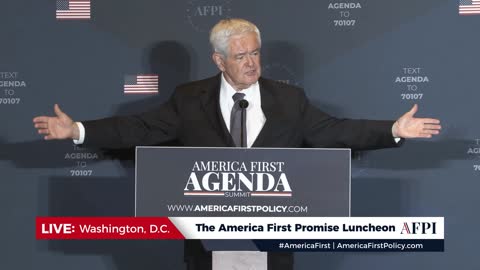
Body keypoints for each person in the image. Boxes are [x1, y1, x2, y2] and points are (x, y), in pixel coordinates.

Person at [33, 18, 441, 270]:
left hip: (272, 241)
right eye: (241, 55)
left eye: (256, 53)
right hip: (209, 242)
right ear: (218, 60)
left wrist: (393, 129)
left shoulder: (289, 98)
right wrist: (78, 131)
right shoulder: (189, 99)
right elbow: (140, 129)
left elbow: (332, 130)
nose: (252, 63)